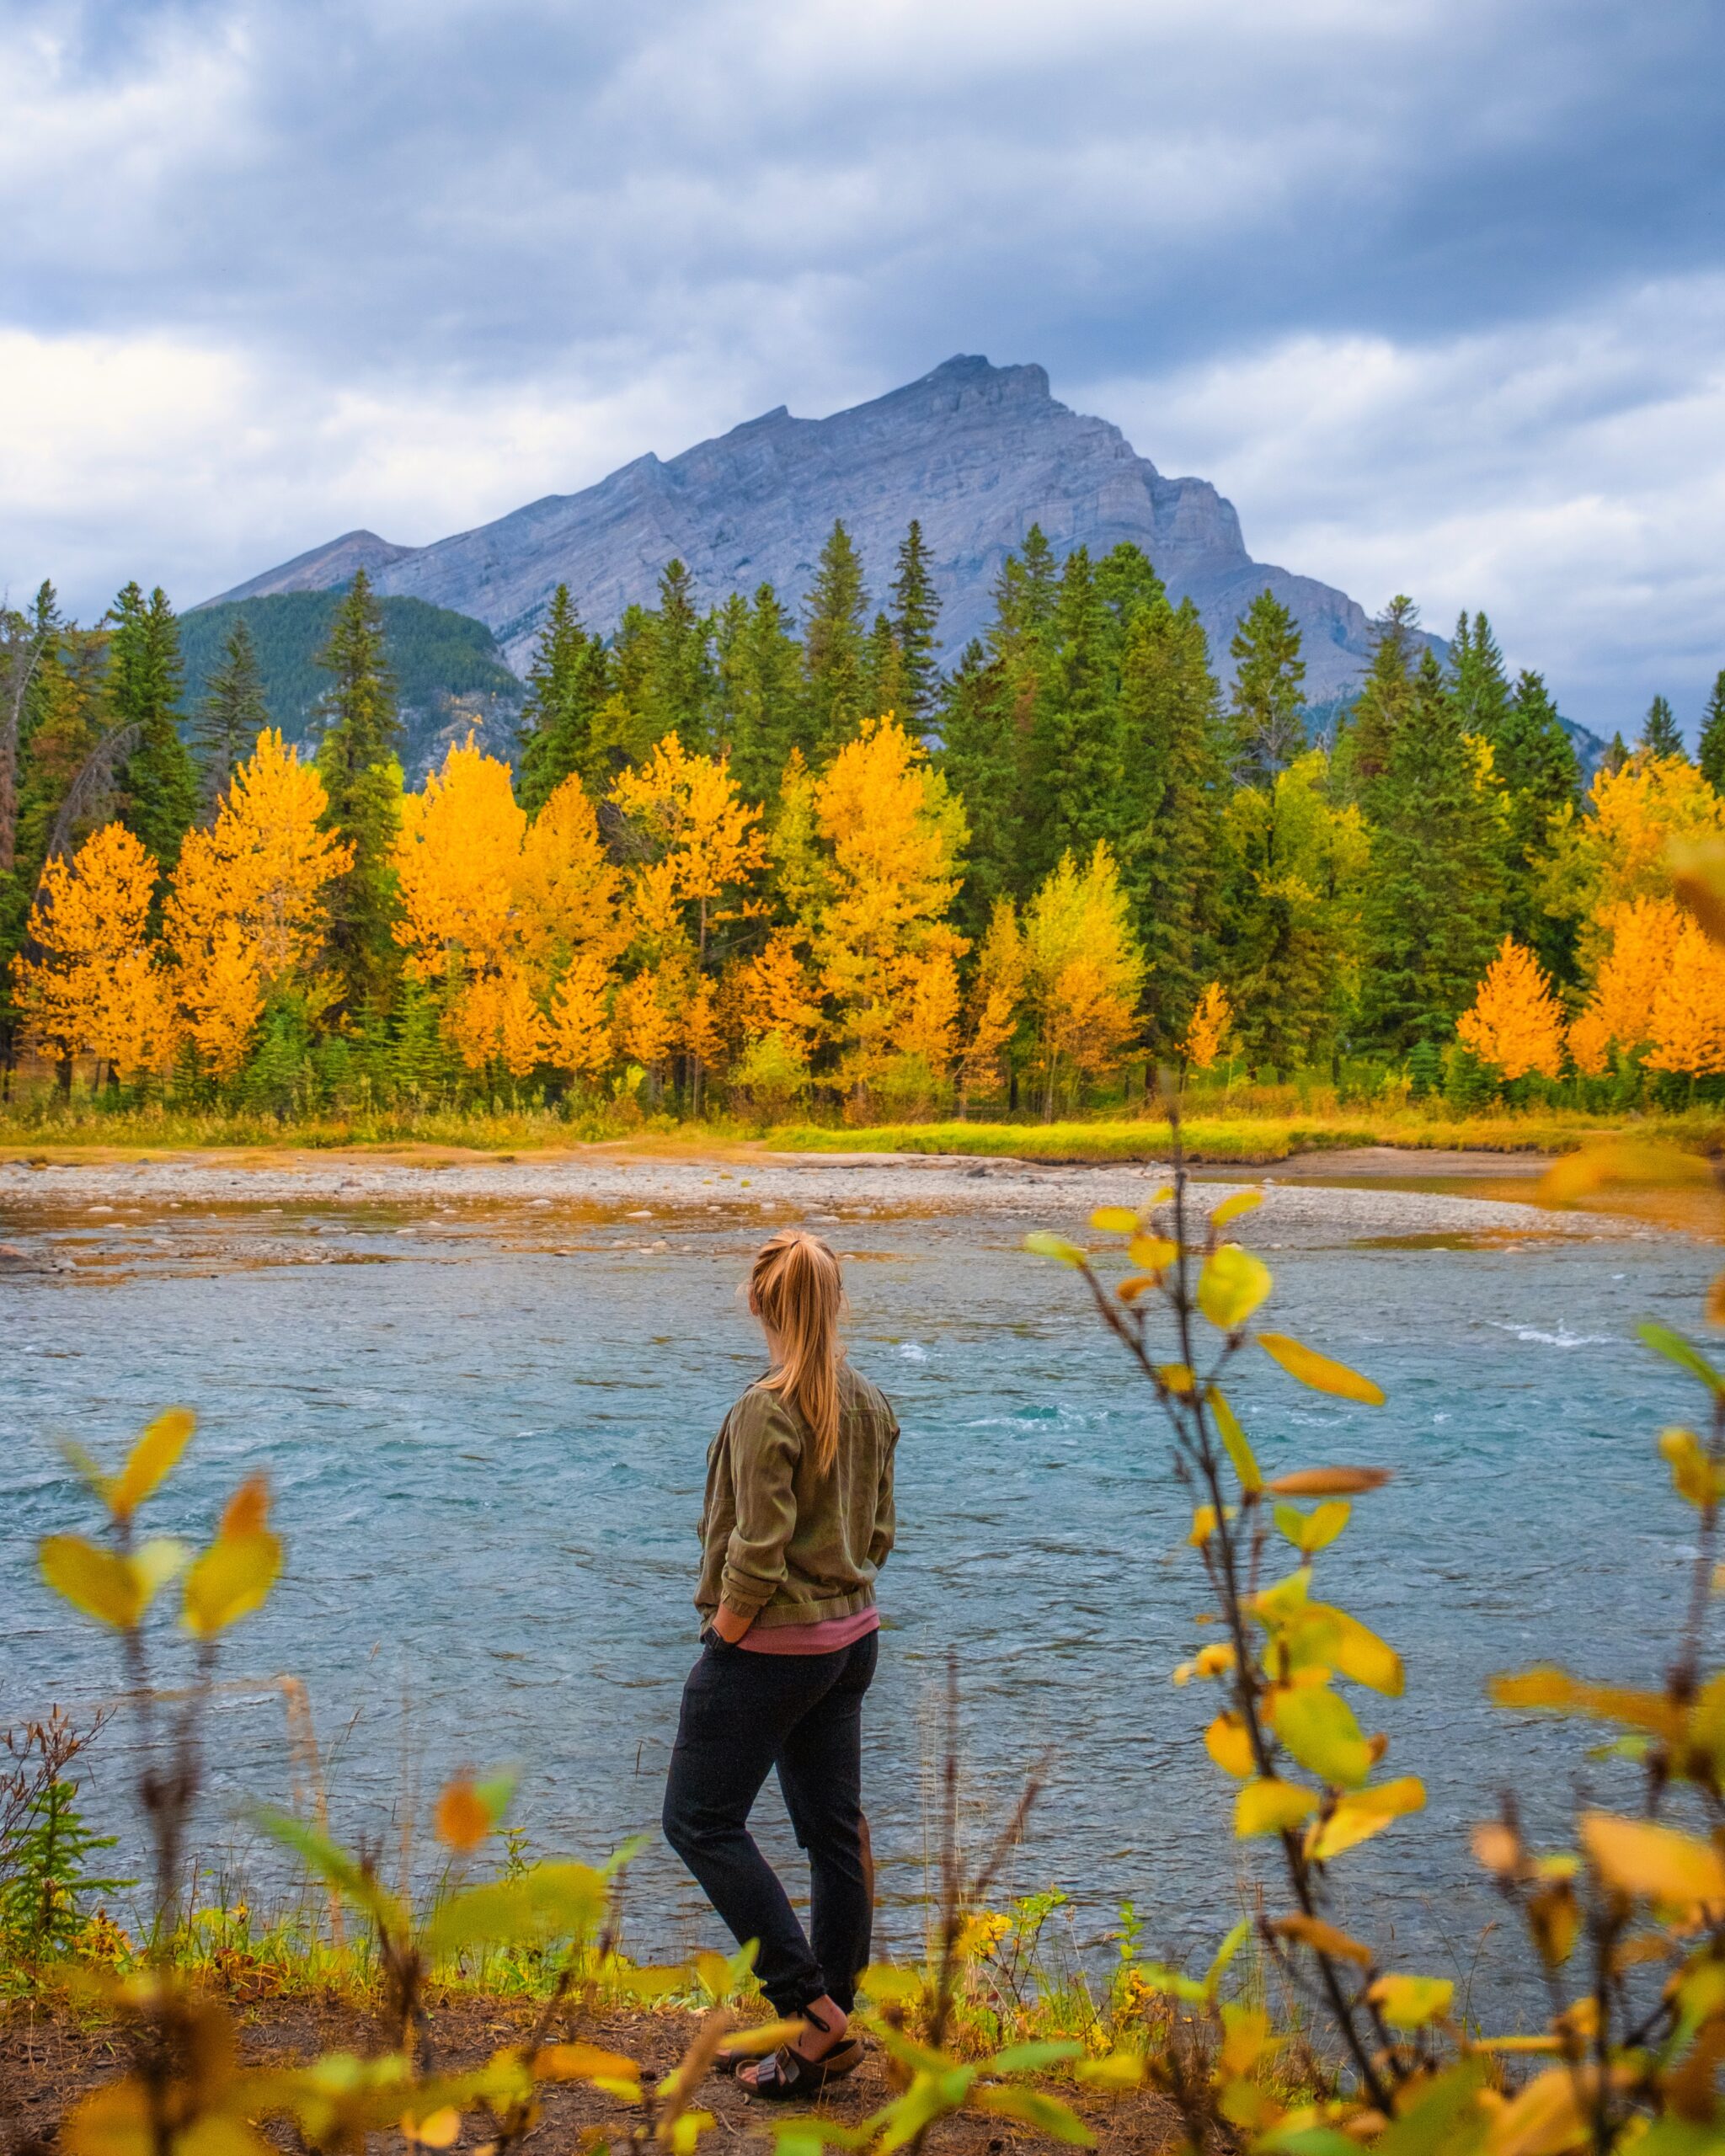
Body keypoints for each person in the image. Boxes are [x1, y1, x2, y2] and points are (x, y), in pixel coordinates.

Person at [662, 1230, 899, 2100]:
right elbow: (877, 1534)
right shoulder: (868, 1400)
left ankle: (811, 2013)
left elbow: (754, 1558)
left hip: (770, 1650)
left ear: (758, 1302)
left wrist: (721, 1638)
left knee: (697, 1820)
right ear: (833, 1304)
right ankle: (822, 2030)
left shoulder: (764, 1409)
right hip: (850, 1643)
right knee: (832, 1834)